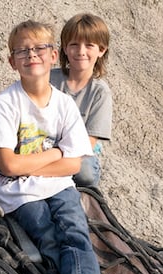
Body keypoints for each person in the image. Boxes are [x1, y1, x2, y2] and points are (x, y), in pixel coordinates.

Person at [0, 20, 128, 274]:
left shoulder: (63, 104)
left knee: (75, 231)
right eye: (22, 51)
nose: (31, 55)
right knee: (48, 235)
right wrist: (56, 153)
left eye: (38, 49)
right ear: (11, 61)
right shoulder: (6, 104)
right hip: (18, 194)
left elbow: (75, 163)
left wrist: (33, 165)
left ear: (52, 56)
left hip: (58, 185)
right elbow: (7, 164)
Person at [49, 13, 113, 188]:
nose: (81, 51)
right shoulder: (48, 79)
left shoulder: (100, 92)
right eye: (74, 44)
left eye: (89, 45)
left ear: (101, 50)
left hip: (77, 153)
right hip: (43, 146)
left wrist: (56, 156)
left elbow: (88, 143)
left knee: (85, 172)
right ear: (65, 47)